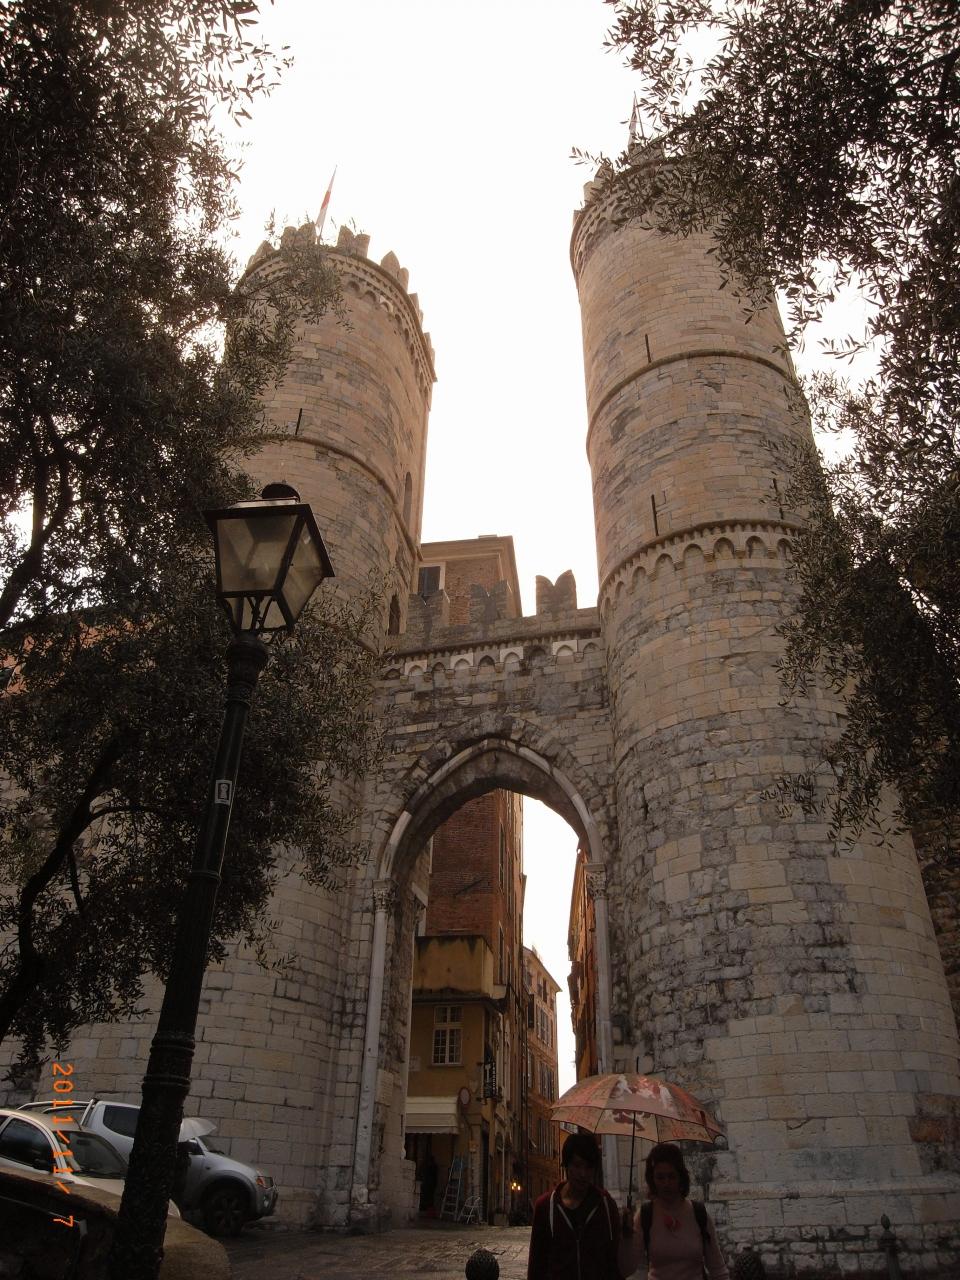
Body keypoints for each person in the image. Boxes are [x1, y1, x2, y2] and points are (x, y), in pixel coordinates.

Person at [619, 1142, 729, 1280]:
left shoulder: (699, 1214)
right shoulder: (645, 1215)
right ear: (652, 1179)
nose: (666, 1183)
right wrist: (626, 1237)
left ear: (680, 1177)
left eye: (671, 1176)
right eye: (660, 1177)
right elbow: (626, 1269)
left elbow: (718, 1270)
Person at [527, 1132, 621, 1280]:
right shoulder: (545, 1206)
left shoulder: (606, 1205)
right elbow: (536, 1266)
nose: (583, 1173)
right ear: (566, 1165)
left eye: (589, 1167)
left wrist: (628, 1235)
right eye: (577, 1165)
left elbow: (616, 1263)